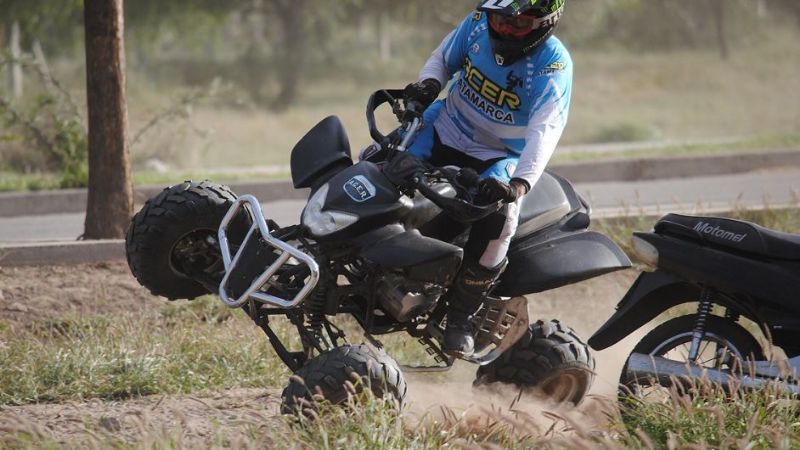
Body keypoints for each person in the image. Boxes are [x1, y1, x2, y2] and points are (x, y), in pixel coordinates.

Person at [402, 0, 572, 355]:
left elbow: (546, 130)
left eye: (519, 24)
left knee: (501, 219)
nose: (505, 30)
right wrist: (428, 85)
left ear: (546, 23)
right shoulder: (478, 22)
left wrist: (520, 183)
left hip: (499, 156)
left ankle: (462, 315)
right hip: (443, 125)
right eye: (500, 19)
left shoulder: (553, 65)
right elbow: (443, 59)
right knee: (382, 163)